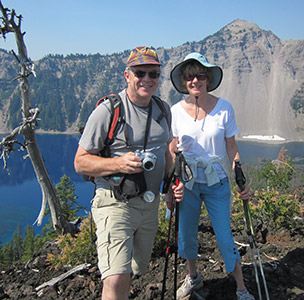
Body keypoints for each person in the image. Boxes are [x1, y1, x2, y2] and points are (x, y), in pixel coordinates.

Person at [74, 46, 184, 300]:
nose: (147, 79)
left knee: (133, 269)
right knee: (115, 277)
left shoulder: (162, 109)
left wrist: (170, 183)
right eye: (140, 72)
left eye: (153, 74)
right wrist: (118, 164)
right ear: (127, 75)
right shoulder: (109, 110)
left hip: (148, 205)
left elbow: (166, 153)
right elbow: (80, 163)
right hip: (115, 202)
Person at [168, 53, 255, 300]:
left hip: (217, 180)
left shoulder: (224, 108)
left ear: (208, 78)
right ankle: (193, 277)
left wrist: (240, 177)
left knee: (225, 236)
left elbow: (231, 147)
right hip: (188, 182)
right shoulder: (176, 111)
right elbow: (173, 149)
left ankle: (241, 288)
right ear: (184, 81)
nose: (195, 80)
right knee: (186, 234)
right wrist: (170, 185)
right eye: (190, 76)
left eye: (200, 75)